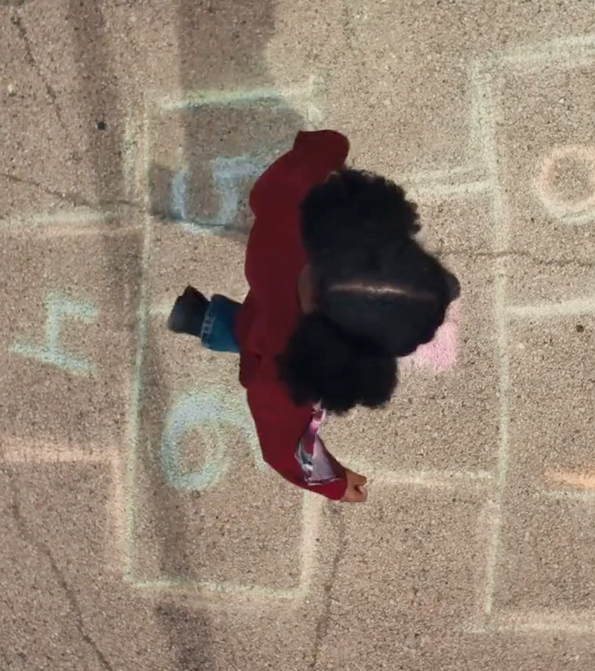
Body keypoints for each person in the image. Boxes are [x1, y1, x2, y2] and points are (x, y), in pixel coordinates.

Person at [167, 130, 459, 503]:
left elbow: (293, 173)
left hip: (268, 296)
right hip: (268, 339)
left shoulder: (293, 210)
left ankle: (200, 318)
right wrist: (334, 483)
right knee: (250, 337)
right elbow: (283, 451)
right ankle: (201, 320)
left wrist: (327, 149)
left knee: (252, 327)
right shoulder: (287, 374)